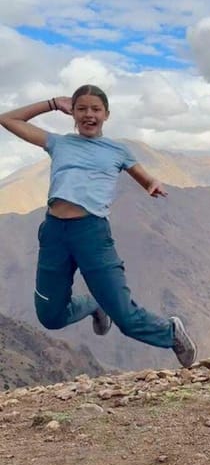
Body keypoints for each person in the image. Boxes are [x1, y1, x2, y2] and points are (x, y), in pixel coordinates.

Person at [0, 85, 197, 367]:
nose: (88, 114)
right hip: (54, 233)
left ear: (106, 114)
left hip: (92, 234)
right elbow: (7, 120)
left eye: (96, 109)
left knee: (125, 318)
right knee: (51, 317)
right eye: (82, 109)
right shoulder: (59, 143)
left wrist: (152, 183)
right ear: (73, 113)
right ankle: (93, 304)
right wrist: (53, 102)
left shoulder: (118, 151)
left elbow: (143, 177)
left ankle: (170, 332)